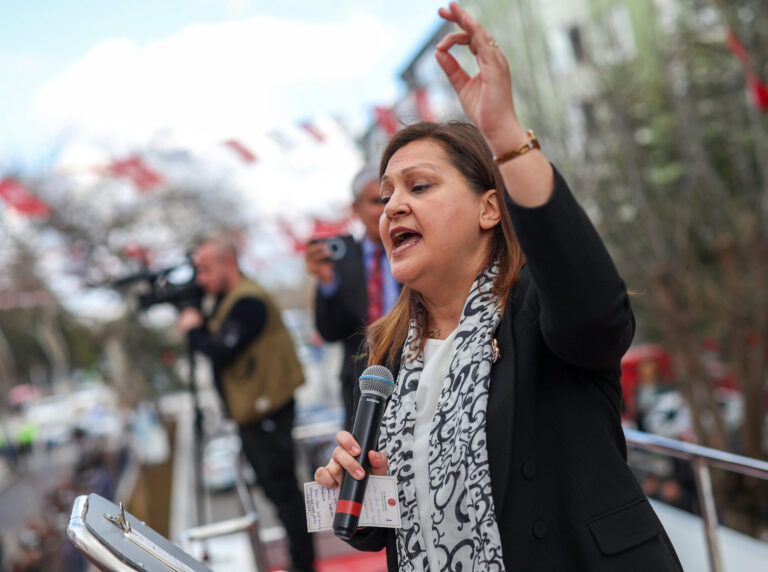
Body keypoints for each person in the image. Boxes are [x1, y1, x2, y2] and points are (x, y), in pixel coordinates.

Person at [314, 3, 682, 571]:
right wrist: (351, 491)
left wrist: (506, 137)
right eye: (386, 196)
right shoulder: (384, 353)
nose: (394, 207)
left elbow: (600, 315)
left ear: (490, 207)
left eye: (419, 185)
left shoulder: (538, 307)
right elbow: (374, 536)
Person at [178, 234, 315, 572]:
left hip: (268, 414)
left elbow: (220, 350)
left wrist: (193, 330)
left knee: (286, 499)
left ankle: (304, 565)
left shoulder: (248, 302)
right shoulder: (230, 301)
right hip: (255, 415)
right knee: (279, 498)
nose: (202, 279)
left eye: (207, 269)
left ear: (229, 264)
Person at [306, 165, 400, 429]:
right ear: (356, 209)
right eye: (376, 201)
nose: (386, 210)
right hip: (361, 387)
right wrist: (326, 282)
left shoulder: (416, 250)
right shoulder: (342, 262)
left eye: (390, 200)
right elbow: (329, 332)